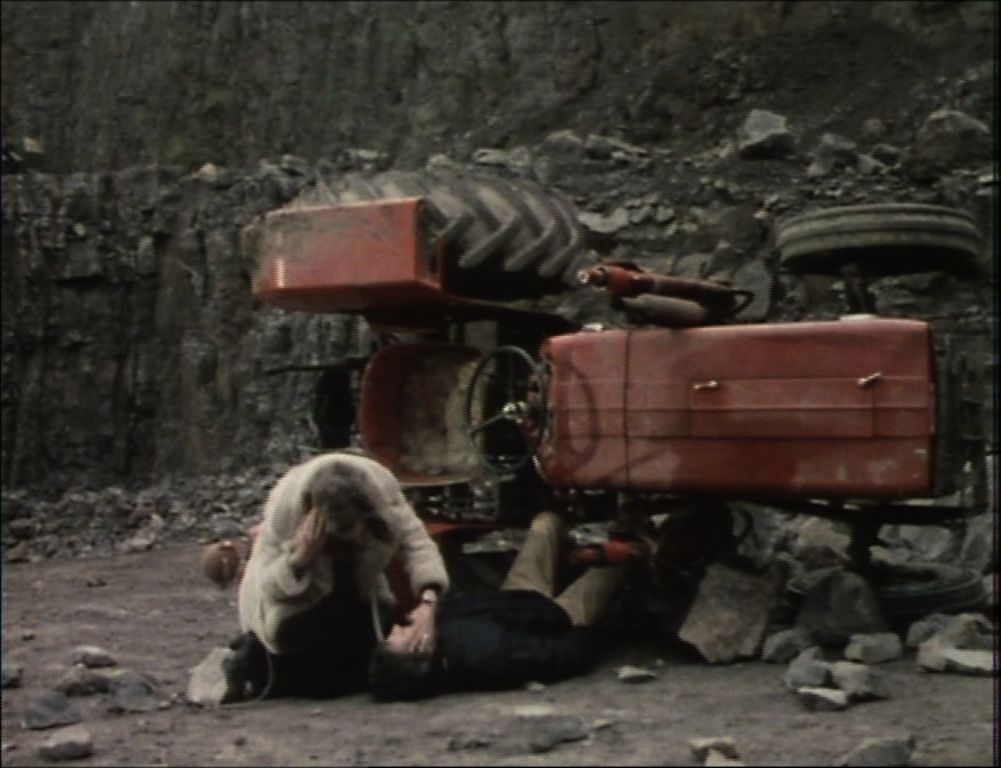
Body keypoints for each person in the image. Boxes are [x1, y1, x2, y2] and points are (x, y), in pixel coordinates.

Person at [222, 451, 449, 702]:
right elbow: (267, 588)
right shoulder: (286, 508)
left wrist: (428, 602)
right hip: (297, 608)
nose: (352, 538)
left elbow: (418, 545)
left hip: (357, 595)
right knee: (324, 685)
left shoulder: (380, 489)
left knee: (375, 669)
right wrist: (298, 561)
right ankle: (251, 659)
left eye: (353, 529)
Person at [367, 511, 628, 701]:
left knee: (547, 522)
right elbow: (568, 655)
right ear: (423, 648)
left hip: (517, 596)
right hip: (562, 614)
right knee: (623, 557)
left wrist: (428, 604)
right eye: (402, 634)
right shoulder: (493, 657)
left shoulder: (439, 631)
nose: (400, 626)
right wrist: (589, 629)